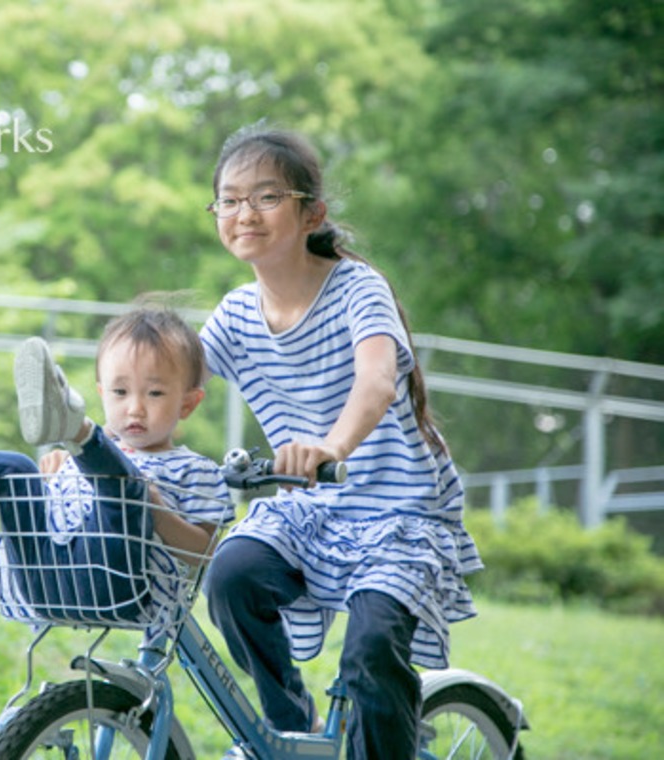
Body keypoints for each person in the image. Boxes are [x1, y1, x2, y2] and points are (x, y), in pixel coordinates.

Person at [198, 123, 483, 759]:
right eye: (229, 198)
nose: (244, 212)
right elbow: (170, 383)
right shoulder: (236, 315)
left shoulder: (357, 288)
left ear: (311, 213)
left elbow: (378, 378)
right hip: (308, 512)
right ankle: (289, 733)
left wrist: (331, 446)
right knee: (232, 576)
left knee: (373, 645)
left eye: (267, 197)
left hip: (398, 511)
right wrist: (94, 442)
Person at [0, 305, 232, 627]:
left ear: (187, 403)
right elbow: (51, 515)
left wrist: (154, 508)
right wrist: (32, 493)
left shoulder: (194, 470)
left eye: (155, 393)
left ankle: (75, 425)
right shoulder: (73, 465)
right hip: (45, 578)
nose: (134, 408)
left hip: (124, 588)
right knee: (18, 469)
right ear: (102, 394)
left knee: (123, 486)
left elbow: (206, 551)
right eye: (120, 392)